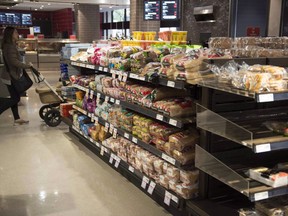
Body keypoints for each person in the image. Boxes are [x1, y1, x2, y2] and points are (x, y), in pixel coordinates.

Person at [0, 26, 33, 125]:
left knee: (15, 96)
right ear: (11, 34)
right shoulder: (10, 46)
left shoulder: (9, 45)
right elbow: (14, 62)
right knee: (15, 98)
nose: (17, 34)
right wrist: (27, 66)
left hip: (9, 75)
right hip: (10, 76)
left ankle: (17, 118)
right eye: (15, 33)